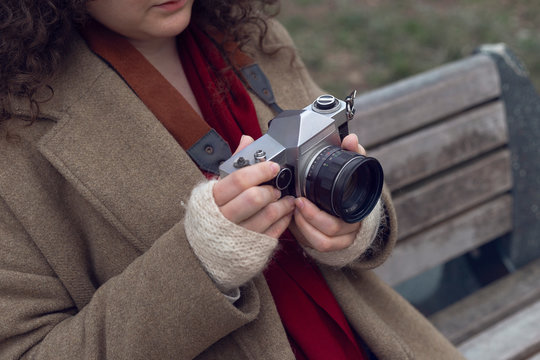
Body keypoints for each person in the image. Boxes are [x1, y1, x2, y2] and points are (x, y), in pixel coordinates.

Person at [0, 0, 464, 359]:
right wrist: (200, 265)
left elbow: (352, 175)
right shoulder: (15, 132)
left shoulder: (254, 36)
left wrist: (354, 224)